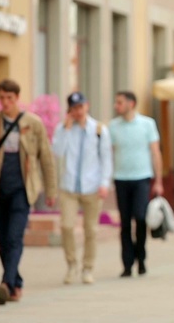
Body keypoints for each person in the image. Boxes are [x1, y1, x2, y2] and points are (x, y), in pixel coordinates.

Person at [0, 80, 57, 305]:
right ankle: (15, 283)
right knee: (2, 241)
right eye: (2, 98)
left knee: (14, 237)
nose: (6, 103)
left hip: (23, 189)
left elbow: (46, 159)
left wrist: (51, 190)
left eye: (10, 98)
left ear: (17, 98)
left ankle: (6, 282)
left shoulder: (33, 123)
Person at [52, 92, 113, 285]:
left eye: (80, 107)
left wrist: (104, 183)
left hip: (92, 187)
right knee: (67, 226)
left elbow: (106, 158)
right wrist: (66, 130)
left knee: (91, 230)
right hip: (69, 187)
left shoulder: (99, 130)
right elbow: (57, 152)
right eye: (74, 108)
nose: (77, 111)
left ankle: (88, 268)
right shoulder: (62, 128)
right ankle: (71, 265)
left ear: (87, 106)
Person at [109, 91, 164, 278]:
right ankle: (127, 263)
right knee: (124, 222)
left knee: (140, 218)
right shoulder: (113, 126)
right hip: (121, 178)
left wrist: (159, 180)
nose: (116, 106)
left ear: (131, 104)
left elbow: (155, 152)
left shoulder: (147, 124)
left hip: (142, 178)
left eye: (120, 102)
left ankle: (141, 258)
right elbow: (109, 152)